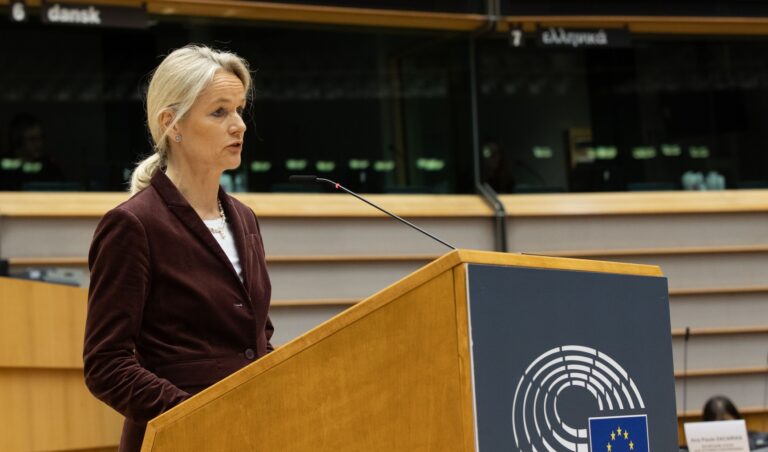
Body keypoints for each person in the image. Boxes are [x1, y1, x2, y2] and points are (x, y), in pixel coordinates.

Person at [83, 45, 273, 452]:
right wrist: (192, 417)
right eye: (219, 112)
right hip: (178, 439)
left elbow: (256, 339)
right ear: (172, 124)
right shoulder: (132, 225)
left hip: (250, 433)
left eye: (239, 109)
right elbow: (106, 364)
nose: (239, 125)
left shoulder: (245, 218)